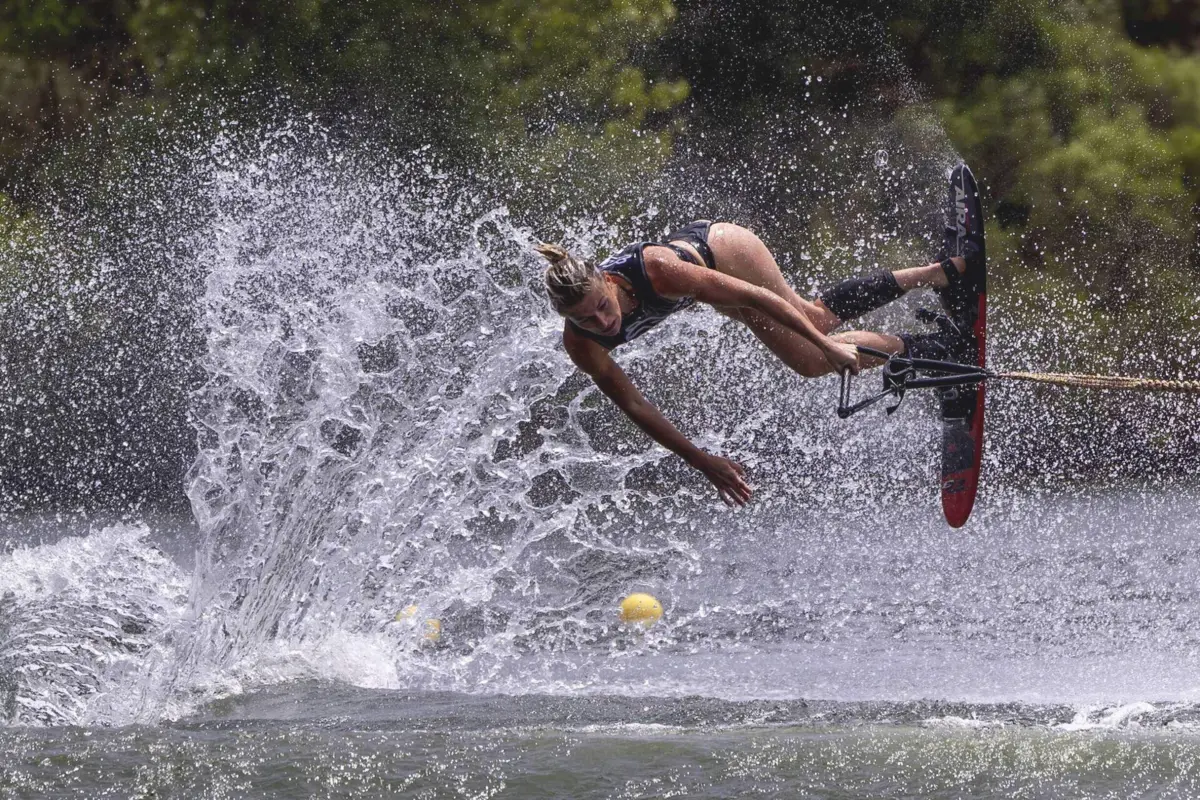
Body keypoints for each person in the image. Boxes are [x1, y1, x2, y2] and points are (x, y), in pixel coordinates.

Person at [536, 164, 985, 507]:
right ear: (568, 319)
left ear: (607, 281)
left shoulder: (657, 270)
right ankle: (935, 328)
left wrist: (828, 345)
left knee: (815, 333)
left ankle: (944, 288)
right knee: (813, 346)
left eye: (602, 305)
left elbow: (751, 295)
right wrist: (702, 460)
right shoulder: (582, 344)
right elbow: (635, 405)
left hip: (727, 251)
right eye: (588, 320)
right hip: (718, 291)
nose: (603, 322)